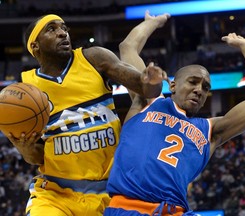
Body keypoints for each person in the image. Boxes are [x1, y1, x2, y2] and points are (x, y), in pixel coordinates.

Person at [104, 11, 245, 215]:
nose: (199, 89)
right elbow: (128, 48)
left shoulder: (211, 130)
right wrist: (152, 23)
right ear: (172, 85)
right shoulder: (147, 100)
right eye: (193, 82)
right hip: (128, 208)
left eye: (205, 87)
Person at [6, 14, 165, 216]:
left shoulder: (93, 58)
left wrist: (151, 80)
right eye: (51, 29)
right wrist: (24, 148)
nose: (63, 33)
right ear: (35, 46)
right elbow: (36, 157)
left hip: (111, 193)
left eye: (64, 28)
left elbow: (145, 89)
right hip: (56, 195)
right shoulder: (26, 90)